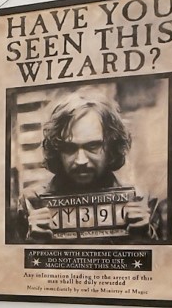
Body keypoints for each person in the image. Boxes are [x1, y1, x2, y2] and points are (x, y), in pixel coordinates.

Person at [22, 93, 159, 239]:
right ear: (57, 150)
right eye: (69, 148)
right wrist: (32, 241)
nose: (81, 161)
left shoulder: (141, 200)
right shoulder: (31, 203)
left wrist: (145, 237)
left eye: (93, 146)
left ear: (112, 146)